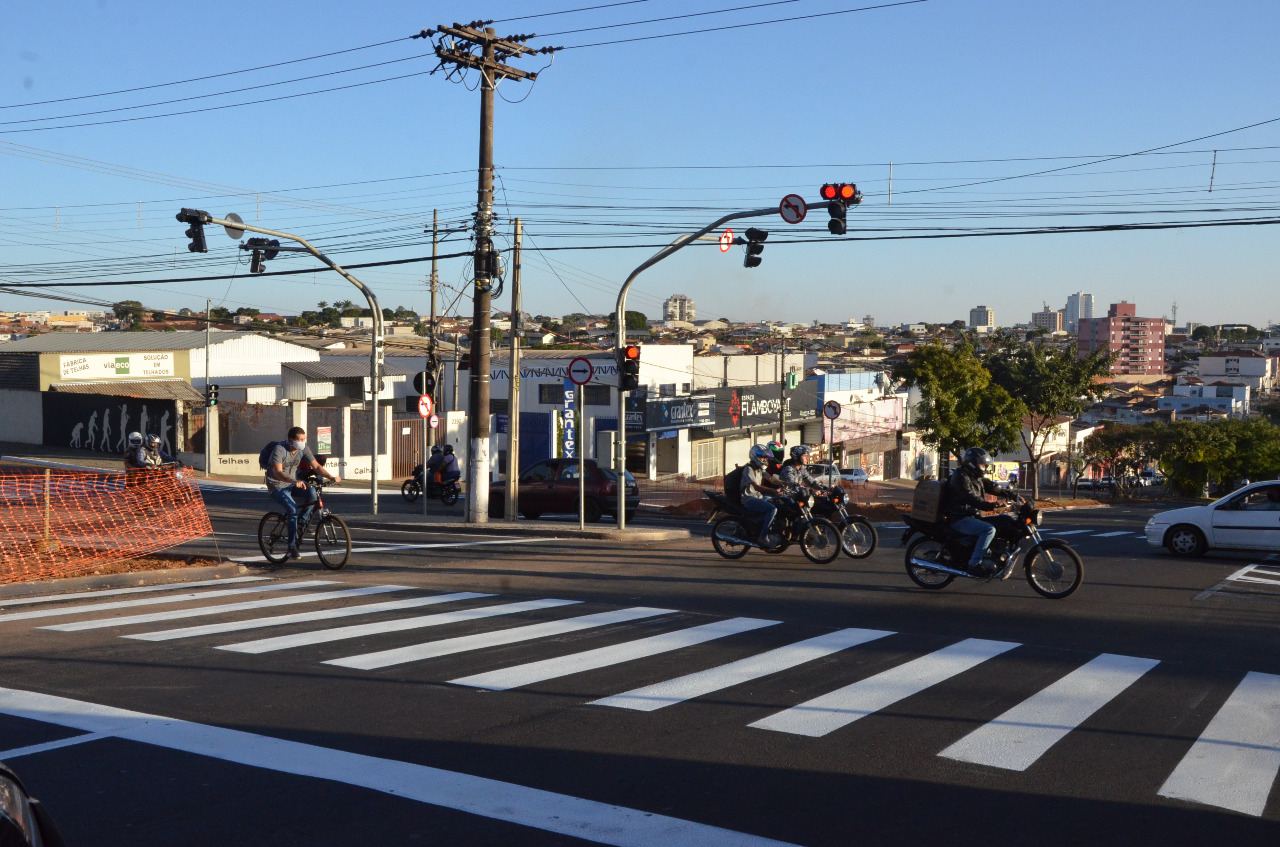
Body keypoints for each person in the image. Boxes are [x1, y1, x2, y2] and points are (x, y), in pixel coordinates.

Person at [265, 426, 340, 559]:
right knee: (292, 510)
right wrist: (294, 482)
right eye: (300, 439)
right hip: (277, 485)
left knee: (312, 492)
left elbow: (316, 466)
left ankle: (301, 523)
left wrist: (331, 477)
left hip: (294, 482)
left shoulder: (302, 449)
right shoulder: (280, 450)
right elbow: (277, 473)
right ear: (291, 440)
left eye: (304, 439)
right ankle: (292, 547)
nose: (303, 442)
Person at [944, 446, 1015, 575]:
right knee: (988, 530)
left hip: (971, 516)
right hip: (959, 517)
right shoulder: (960, 475)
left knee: (1000, 524)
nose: (984, 468)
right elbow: (968, 496)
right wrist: (989, 505)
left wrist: (1011, 494)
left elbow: (993, 487)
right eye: (982, 465)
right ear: (972, 463)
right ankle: (973, 564)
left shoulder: (976, 477)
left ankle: (988, 556)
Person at [740, 444, 780, 545]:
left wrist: (789, 484)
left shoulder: (760, 469)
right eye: (763, 457)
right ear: (755, 456)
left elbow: (772, 480)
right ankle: (763, 537)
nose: (765, 459)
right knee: (772, 509)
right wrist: (773, 491)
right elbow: (756, 487)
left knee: (780, 501)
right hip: (749, 499)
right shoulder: (749, 469)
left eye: (766, 457)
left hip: (758, 497)